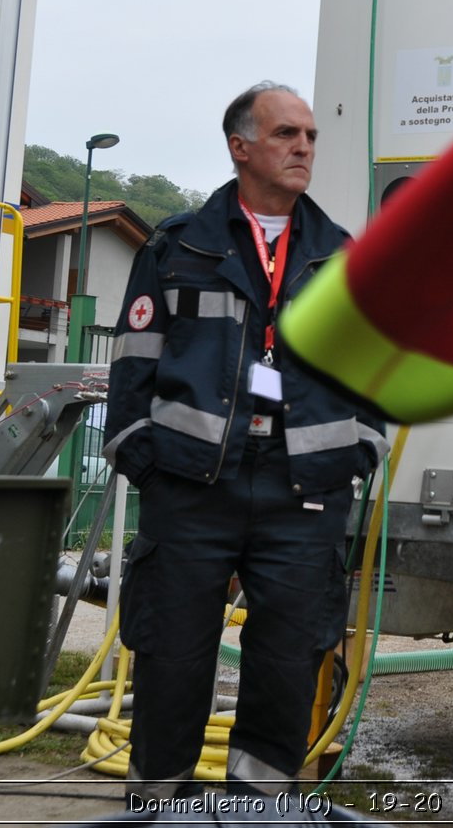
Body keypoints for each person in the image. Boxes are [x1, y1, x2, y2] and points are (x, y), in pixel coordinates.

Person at [103, 82, 385, 800]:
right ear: (241, 147)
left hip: (303, 497)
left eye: (312, 136)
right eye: (287, 133)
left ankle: (259, 813)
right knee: (172, 659)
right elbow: (133, 368)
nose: (304, 148)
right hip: (192, 491)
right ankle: (156, 809)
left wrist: (353, 458)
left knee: (288, 663)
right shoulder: (177, 247)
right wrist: (148, 463)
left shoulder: (340, 258)